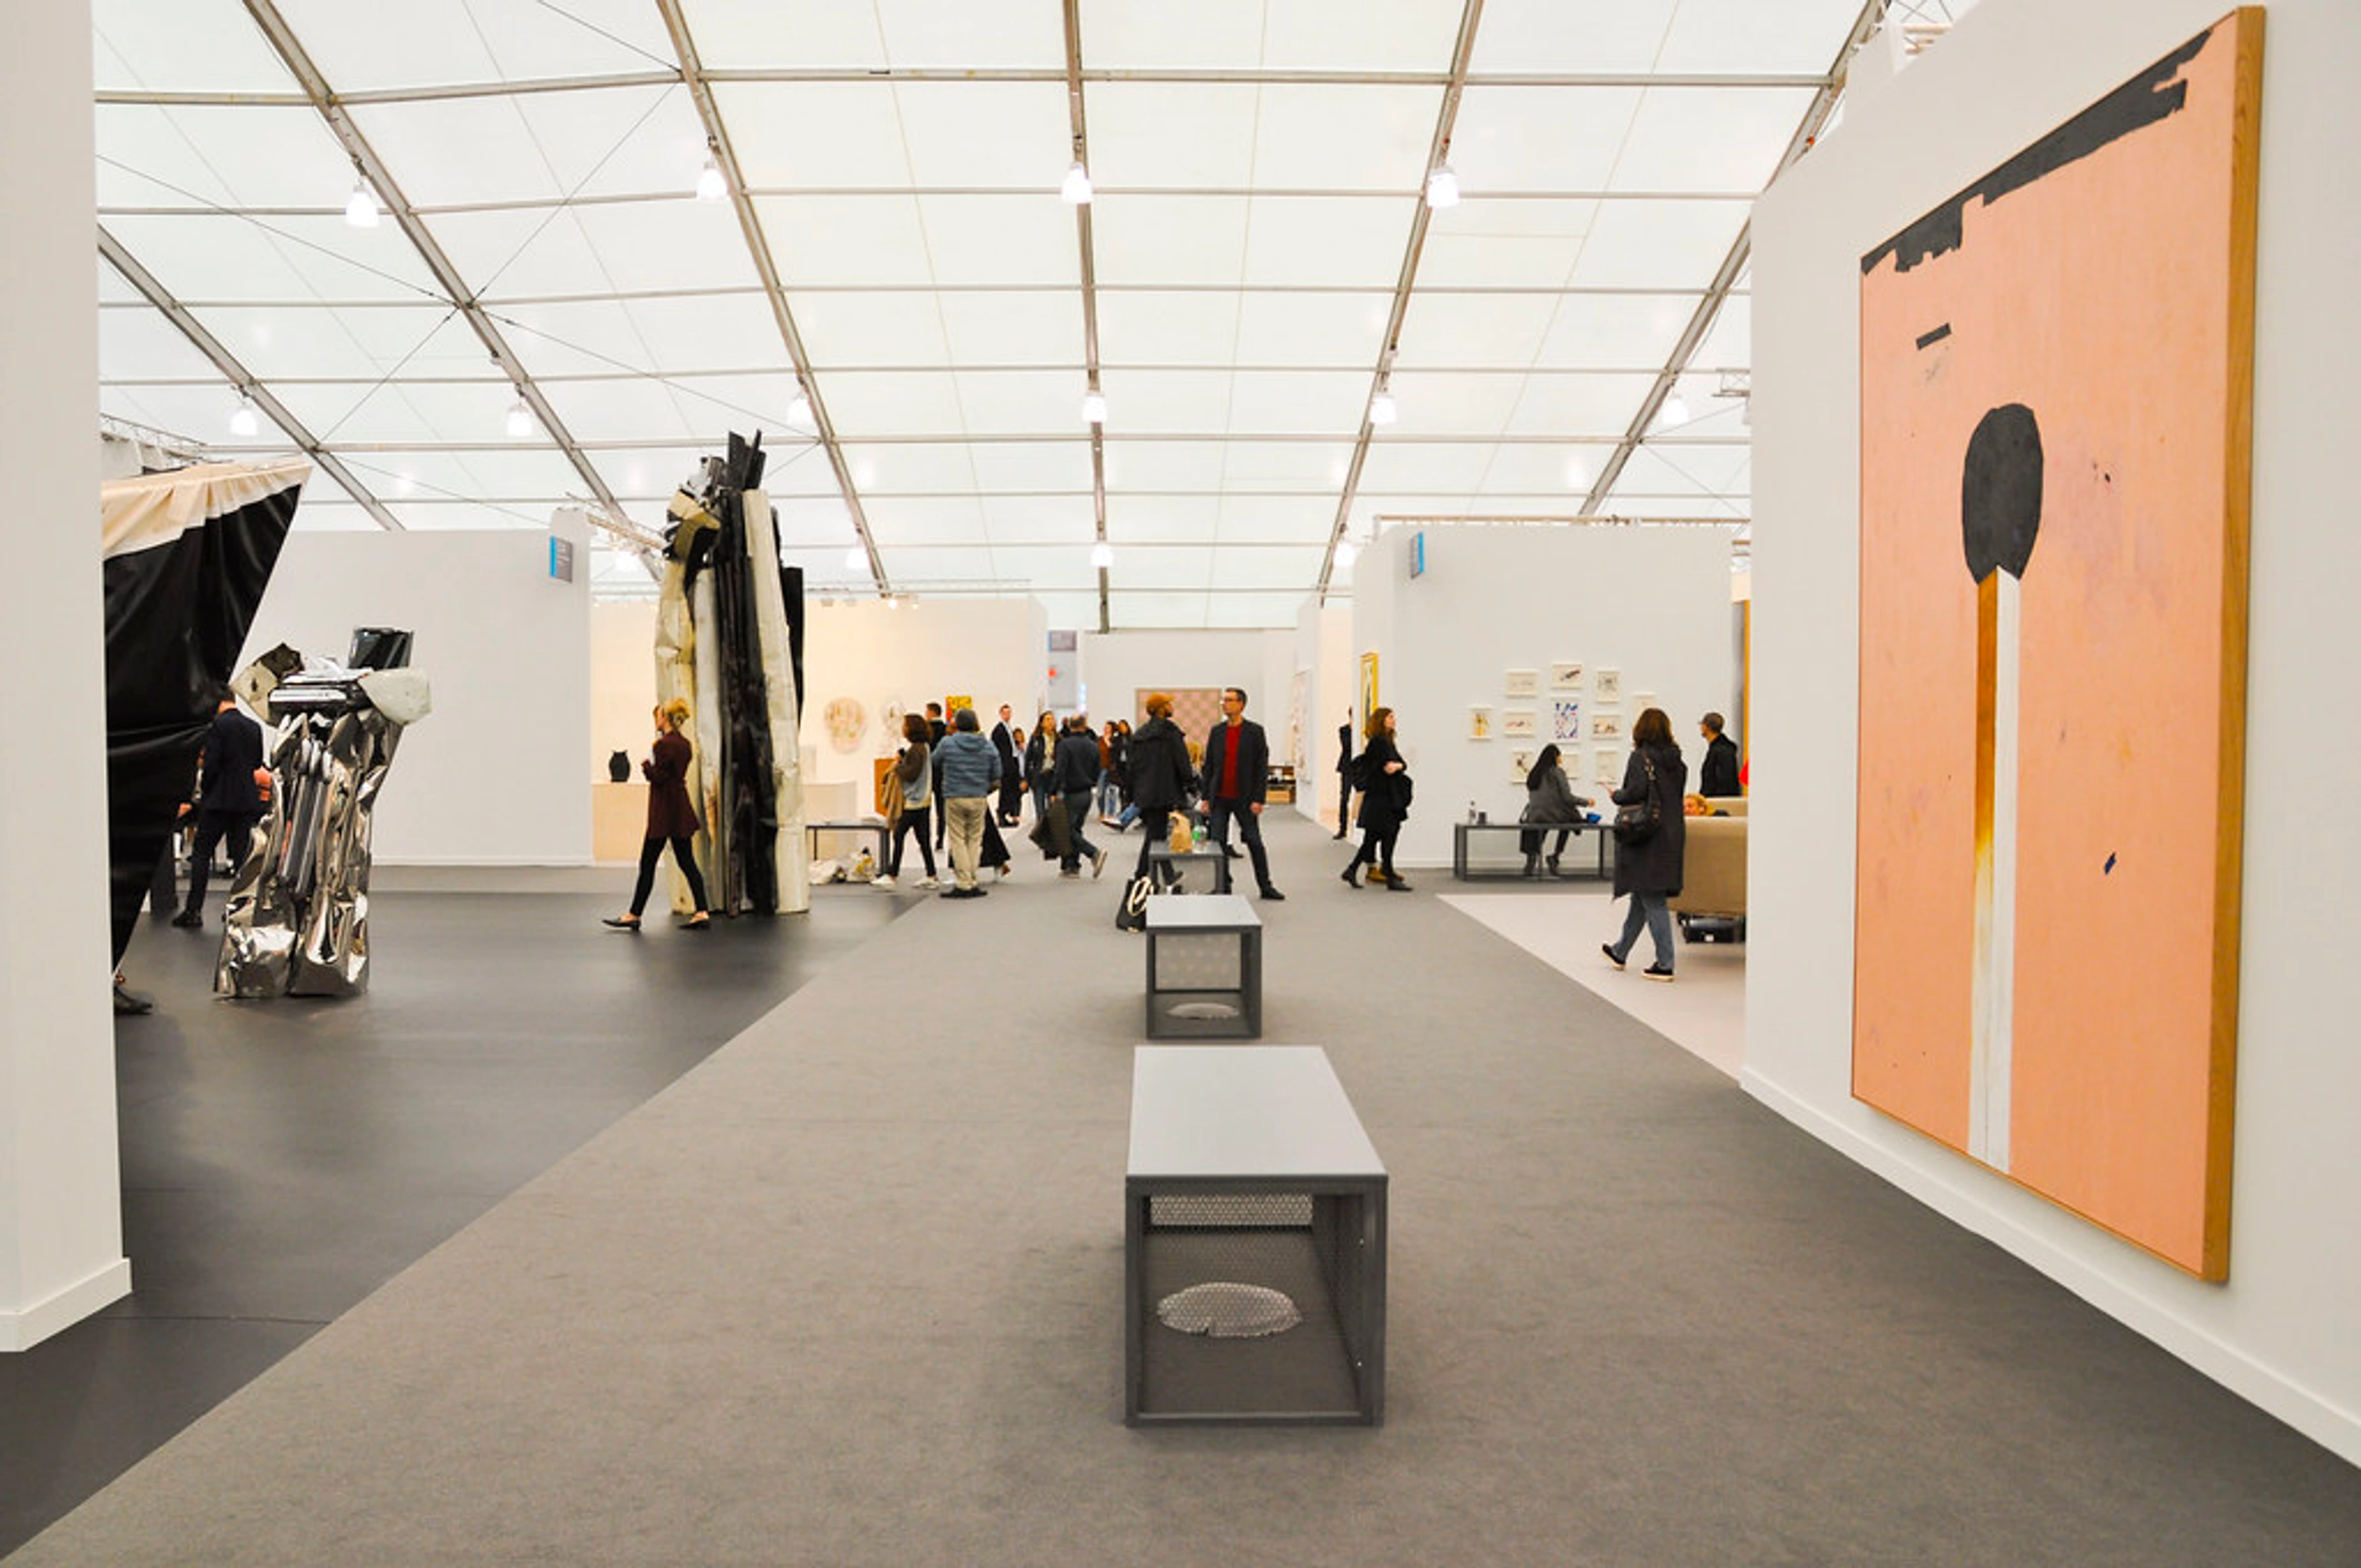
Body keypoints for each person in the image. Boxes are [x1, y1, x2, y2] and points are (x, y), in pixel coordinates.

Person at [604, 699, 712, 932]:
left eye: (659, 716)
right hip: (680, 809)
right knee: (687, 862)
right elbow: (675, 775)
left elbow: (659, 777)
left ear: (667, 719)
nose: (657, 720)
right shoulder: (685, 744)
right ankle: (702, 910)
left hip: (664, 812)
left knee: (648, 864)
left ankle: (634, 914)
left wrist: (645, 766)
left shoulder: (662, 745)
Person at [1602, 707, 1688, 981]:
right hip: (1672, 833)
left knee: (1653, 898)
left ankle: (1665, 963)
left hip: (1646, 834)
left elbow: (1635, 793)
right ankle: (1621, 950)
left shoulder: (1640, 758)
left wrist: (1616, 795)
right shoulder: (1678, 762)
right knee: (1643, 893)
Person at [172, 695, 269, 928]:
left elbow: (211, 764)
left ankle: (193, 911)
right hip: (245, 800)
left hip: (218, 801)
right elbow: (257, 762)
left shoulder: (217, 726)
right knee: (242, 859)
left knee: (202, 853)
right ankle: (242, 911)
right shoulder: (253, 727)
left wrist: (206, 792)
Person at [1202, 687, 1284, 900]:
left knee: (1255, 842)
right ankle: (1223, 885)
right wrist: (1205, 797)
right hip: (1219, 797)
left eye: (1229, 700)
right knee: (1217, 842)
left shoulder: (1255, 732)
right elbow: (1209, 766)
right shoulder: (1217, 731)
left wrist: (1259, 798)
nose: (1225, 704)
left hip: (1245, 798)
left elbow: (1261, 767)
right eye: (1223, 701)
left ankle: (1266, 886)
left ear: (1241, 704)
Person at [1340, 706, 1412, 892]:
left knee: (1373, 838)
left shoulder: (1387, 741)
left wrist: (1398, 766)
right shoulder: (1378, 742)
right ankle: (1388, 876)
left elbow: (1401, 763)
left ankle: (1354, 869)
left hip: (1385, 797)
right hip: (1382, 798)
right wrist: (1394, 766)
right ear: (1381, 720)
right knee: (1387, 835)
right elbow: (1382, 767)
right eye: (1390, 717)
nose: (1393, 720)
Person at [1124, 694, 1194, 881]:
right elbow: (1182, 762)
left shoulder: (1140, 734)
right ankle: (1145, 874)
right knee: (1156, 835)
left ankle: (1161, 873)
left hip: (1145, 792)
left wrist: (1131, 794)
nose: (1172, 706)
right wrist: (1191, 784)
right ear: (1161, 708)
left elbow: (1131, 767)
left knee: (1156, 833)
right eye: (1168, 704)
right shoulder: (1170, 732)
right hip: (1165, 791)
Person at [934, 707, 1002, 898]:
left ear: (957, 724)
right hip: (978, 797)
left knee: (957, 840)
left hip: (955, 797)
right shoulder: (988, 745)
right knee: (975, 840)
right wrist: (985, 789)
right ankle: (972, 879)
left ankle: (963, 882)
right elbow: (997, 773)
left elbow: (935, 761)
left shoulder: (947, 743)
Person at [876, 712, 939, 891]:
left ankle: (892, 874)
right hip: (923, 800)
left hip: (914, 801)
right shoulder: (923, 747)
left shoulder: (916, 749)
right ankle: (931, 874)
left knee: (899, 834)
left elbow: (911, 774)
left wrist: (898, 766)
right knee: (923, 839)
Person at [1519, 743, 1594, 877]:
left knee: (1542, 821)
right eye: (1560, 757)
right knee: (1569, 821)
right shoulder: (1557, 772)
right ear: (1555, 757)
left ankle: (1531, 858)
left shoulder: (1534, 774)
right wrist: (1586, 802)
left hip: (1534, 816)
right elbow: (1567, 798)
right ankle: (1555, 856)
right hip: (1552, 815)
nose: (1561, 760)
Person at [1051, 714, 1109, 878]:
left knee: (1067, 830)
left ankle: (1094, 853)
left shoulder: (1064, 745)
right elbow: (1097, 771)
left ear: (1070, 726)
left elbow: (1060, 770)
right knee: (1076, 829)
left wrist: (1054, 791)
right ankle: (1072, 865)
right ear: (1084, 726)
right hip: (1086, 793)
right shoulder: (1093, 745)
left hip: (1070, 793)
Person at [993, 706, 1026, 825]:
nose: (1008, 715)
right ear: (1001, 714)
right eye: (1005, 713)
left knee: (1011, 791)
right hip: (1006, 765)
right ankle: (1002, 813)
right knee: (1006, 791)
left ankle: (1007, 813)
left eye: (1009, 713)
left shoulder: (1008, 728)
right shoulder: (999, 729)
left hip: (1011, 763)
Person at [1699, 711, 1742, 799]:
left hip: (1719, 804)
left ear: (1706, 727)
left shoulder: (1721, 751)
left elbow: (1724, 782)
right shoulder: (1721, 749)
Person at [1026, 710, 1058, 822]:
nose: (1050, 722)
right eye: (1048, 720)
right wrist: (1028, 779)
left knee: (1053, 809)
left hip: (1053, 777)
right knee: (1040, 809)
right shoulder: (1036, 739)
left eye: (1052, 719)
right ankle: (1042, 831)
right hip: (1039, 777)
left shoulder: (1059, 739)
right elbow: (1028, 759)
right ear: (1042, 723)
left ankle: (1051, 832)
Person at [926, 702, 949, 852]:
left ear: (932, 713)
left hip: (929, 774)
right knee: (942, 810)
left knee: (926, 810)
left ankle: (926, 840)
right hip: (943, 774)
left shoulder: (927, 730)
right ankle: (940, 839)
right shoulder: (946, 731)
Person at [1332, 714, 1356, 840]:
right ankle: (1342, 828)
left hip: (1360, 768)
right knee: (1344, 798)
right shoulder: (1344, 730)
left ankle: (1358, 828)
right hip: (1347, 767)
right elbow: (1347, 746)